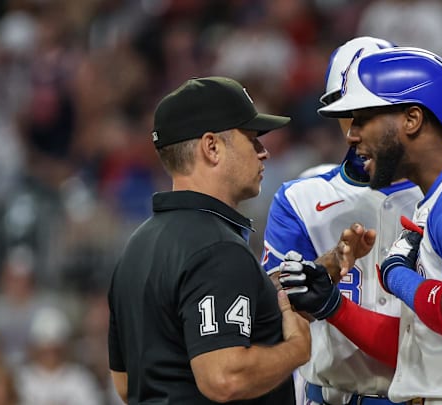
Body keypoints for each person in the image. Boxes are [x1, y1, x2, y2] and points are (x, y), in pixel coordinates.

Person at [265, 39, 442, 405]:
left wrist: (397, 276)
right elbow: (420, 343)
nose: (352, 133)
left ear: (412, 118)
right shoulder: (440, 197)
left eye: (364, 118)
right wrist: (334, 306)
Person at [107, 77, 312, 404]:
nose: (264, 152)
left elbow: (126, 383)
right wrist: (295, 350)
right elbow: (224, 378)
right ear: (211, 147)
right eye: (252, 138)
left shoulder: (136, 247)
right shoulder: (218, 249)